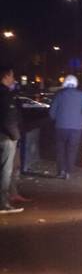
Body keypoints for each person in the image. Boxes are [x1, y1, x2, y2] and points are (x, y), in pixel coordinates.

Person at [49, 75, 82, 180]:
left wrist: (58, 119)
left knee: (60, 150)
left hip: (61, 127)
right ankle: (68, 171)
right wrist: (80, 121)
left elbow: (52, 112)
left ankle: (61, 171)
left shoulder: (59, 94)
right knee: (72, 150)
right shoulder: (81, 95)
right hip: (76, 128)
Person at [0, 67, 24, 213]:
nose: (13, 79)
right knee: (5, 171)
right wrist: (15, 136)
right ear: (6, 76)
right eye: (12, 76)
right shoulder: (6, 95)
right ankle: (3, 204)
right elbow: (9, 119)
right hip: (6, 138)